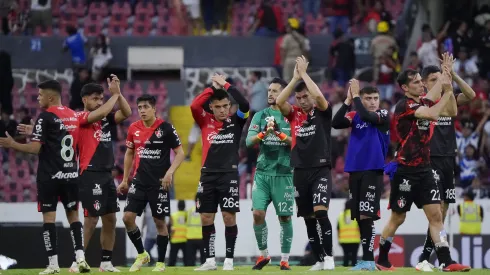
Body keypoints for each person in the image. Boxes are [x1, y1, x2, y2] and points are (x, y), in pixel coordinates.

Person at [376, 68, 470, 272]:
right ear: (404, 87)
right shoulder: (404, 106)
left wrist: (447, 86)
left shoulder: (421, 102)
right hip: (406, 171)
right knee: (398, 218)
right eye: (416, 82)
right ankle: (382, 258)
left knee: (436, 216)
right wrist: (443, 83)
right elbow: (431, 113)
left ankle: (446, 261)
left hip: (426, 170)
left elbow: (452, 111)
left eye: (421, 81)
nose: (421, 84)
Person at [0, 80, 90, 274]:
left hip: (50, 176)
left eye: (40, 95)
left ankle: (53, 264)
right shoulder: (73, 115)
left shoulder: (45, 116)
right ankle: (81, 258)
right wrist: (38, 131)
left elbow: (35, 148)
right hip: (71, 174)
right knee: (74, 216)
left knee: (49, 219)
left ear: (50, 97)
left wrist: (12, 144)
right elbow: (60, 136)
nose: (38, 98)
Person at [416, 53, 476, 271]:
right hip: (429, 158)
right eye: (434, 79)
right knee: (437, 211)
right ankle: (439, 259)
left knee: (444, 209)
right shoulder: (423, 103)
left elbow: (471, 95)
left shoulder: (448, 97)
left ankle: (425, 257)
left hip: (448, 159)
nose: (438, 82)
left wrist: (452, 75)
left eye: (439, 78)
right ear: (423, 83)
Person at [276, 56, 335, 271]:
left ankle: (329, 257)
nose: (301, 100)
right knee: (308, 218)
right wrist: (294, 79)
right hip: (299, 170)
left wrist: (305, 75)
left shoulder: (323, 112)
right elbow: (279, 102)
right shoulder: (294, 115)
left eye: (304, 96)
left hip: (320, 169)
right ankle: (319, 259)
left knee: (321, 212)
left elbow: (319, 97)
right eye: (298, 97)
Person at [69, 76, 131, 272]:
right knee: (91, 220)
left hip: (106, 174)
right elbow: (101, 112)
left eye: (100, 98)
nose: (99, 102)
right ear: (85, 100)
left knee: (110, 219)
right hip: (89, 173)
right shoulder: (80, 117)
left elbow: (127, 112)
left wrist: (118, 93)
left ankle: (106, 262)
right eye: (95, 98)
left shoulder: (105, 118)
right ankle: (76, 261)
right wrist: (113, 96)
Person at [117, 94, 185, 272]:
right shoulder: (133, 128)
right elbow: (129, 153)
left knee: (159, 223)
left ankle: (161, 263)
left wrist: (170, 172)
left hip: (159, 183)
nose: (142, 110)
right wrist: (125, 179)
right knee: (127, 218)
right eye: (139, 107)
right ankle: (142, 254)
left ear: (154, 109)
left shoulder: (166, 128)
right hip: (139, 181)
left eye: (146, 107)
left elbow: (180, 153)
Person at [190, 74, 250, 271]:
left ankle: (229, 260)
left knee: (228, 217)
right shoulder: (204, 121)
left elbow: (245, 104)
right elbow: (194, 106)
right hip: (207, 175)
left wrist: (225, 85)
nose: (223, 110)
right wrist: (211, 88)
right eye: (218, 107)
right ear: (211, 108)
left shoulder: (237, 121)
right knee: (206, 218)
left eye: (226, 106)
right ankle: (209, 260)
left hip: (228, 175)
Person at [332, 79, 390, 271]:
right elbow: (336, 122)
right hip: (355, 170)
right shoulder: (355, 115)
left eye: (375, 98)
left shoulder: (382, 114)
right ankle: (366, 260)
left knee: (368, 215)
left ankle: (369, 260)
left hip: (372, 170)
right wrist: (348, 100)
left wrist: (356, 96)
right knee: (360, 216)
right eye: (368, 98)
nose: (373, 101)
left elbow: (367, 117)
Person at [246, 77, 294, 271]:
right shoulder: (260, 115)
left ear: (284, 93)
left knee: (285, 218)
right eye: (269, 91)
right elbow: (249, 142)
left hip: (284, 173)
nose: (271, 94)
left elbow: (296, 143)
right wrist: (263, 134)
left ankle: (284, 259)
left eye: (275, 91)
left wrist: (280, 135)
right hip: (263, 173)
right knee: (257, 213)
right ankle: (264, 255)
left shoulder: (291, 116)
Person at [337, 200, 360, 267]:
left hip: (344, 240)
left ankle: (345, 268)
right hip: (355, 239)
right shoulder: (356, 214)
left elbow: (338, 228)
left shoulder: (341, 215)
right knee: (354, 257)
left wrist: (339, 238)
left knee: (346, 257)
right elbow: (360, 227)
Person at [185, 197, 204, 266]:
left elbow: (185, 222)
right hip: (202, 237)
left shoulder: (189, 211)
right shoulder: (205, 211)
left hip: (190, 238)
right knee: (204, 260)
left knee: (190, 260)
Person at [169, 200, 188, 266]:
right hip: (185, 239)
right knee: (186, 260)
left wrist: (170, 238)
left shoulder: (173, 215)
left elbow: (170, 228)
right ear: (184, 206)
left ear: (177, 206)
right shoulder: (187, 215)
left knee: (172, 259)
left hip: (175, 239)